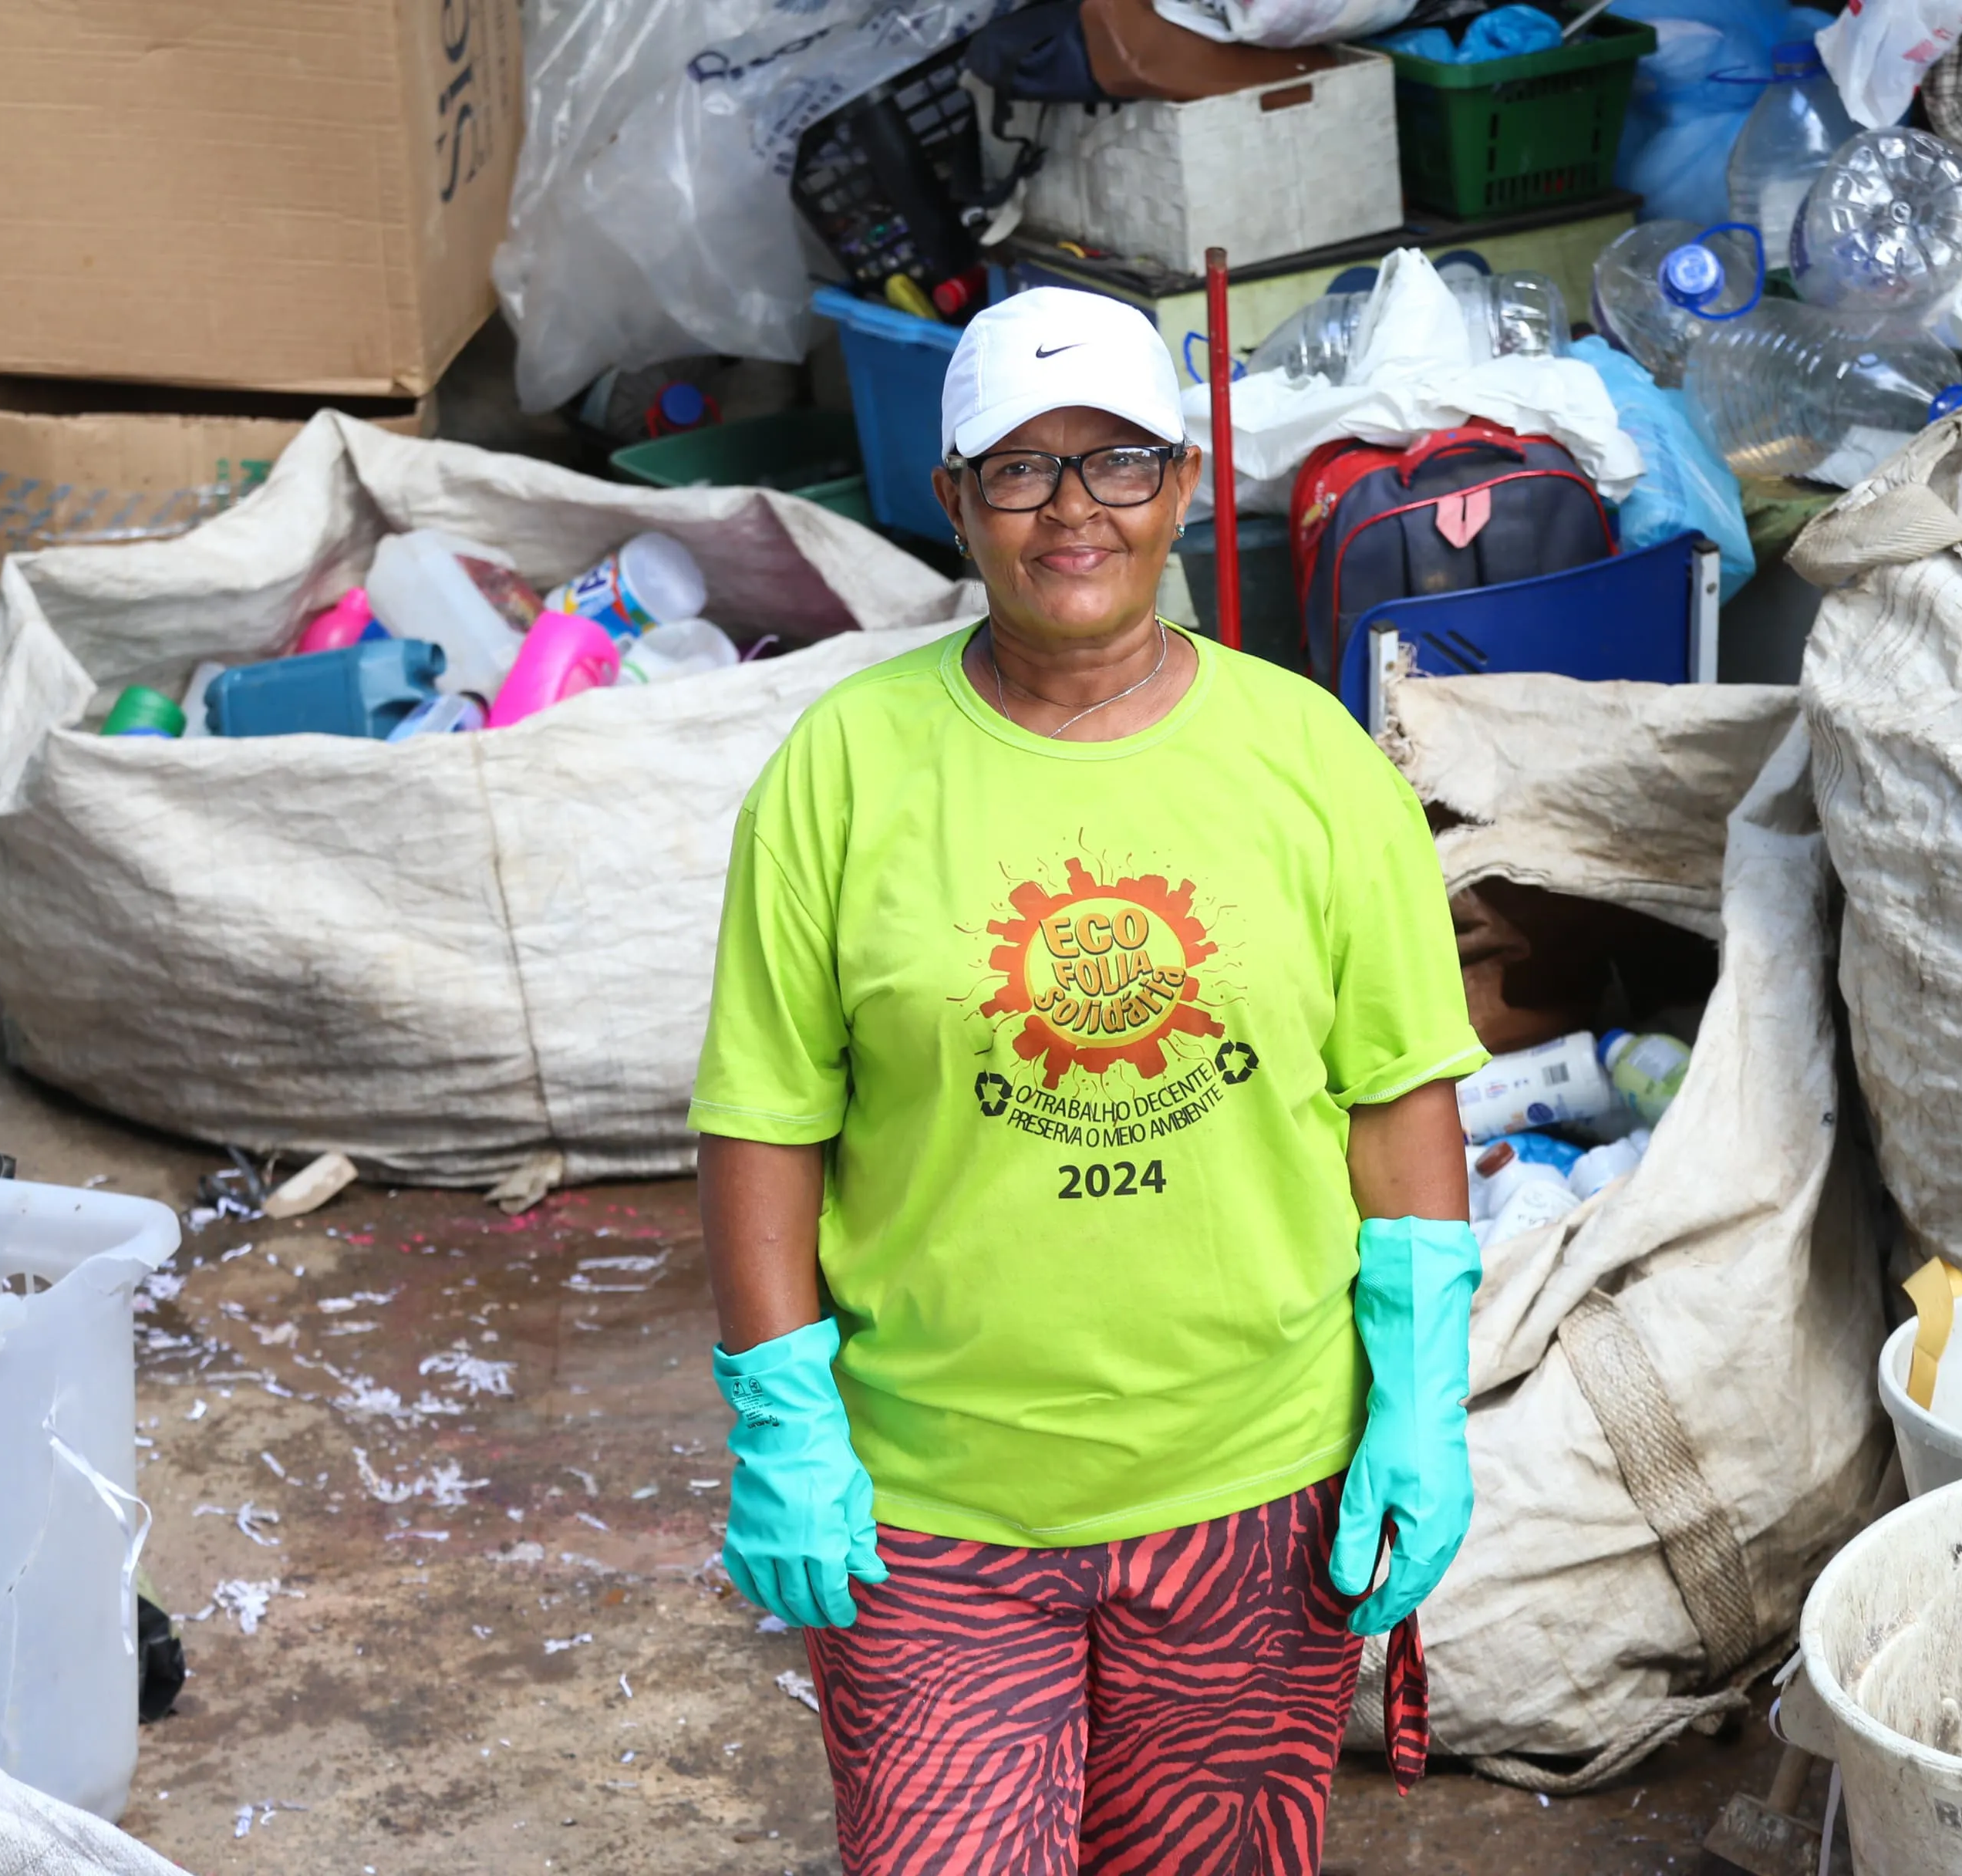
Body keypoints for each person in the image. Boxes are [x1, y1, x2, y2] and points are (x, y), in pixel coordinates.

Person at [693, 286, 1486, 1874]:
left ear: (1183, 484)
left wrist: (1421, 1401)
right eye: (1021, 469)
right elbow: (764, 1121)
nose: (1074, 512)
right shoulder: (840, 771)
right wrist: (782, 1417)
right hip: (933, 1501)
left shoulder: (1315, 762)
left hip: (1255, 1484)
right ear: (954, 504)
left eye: (1117, 463)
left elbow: (1401, 1103)